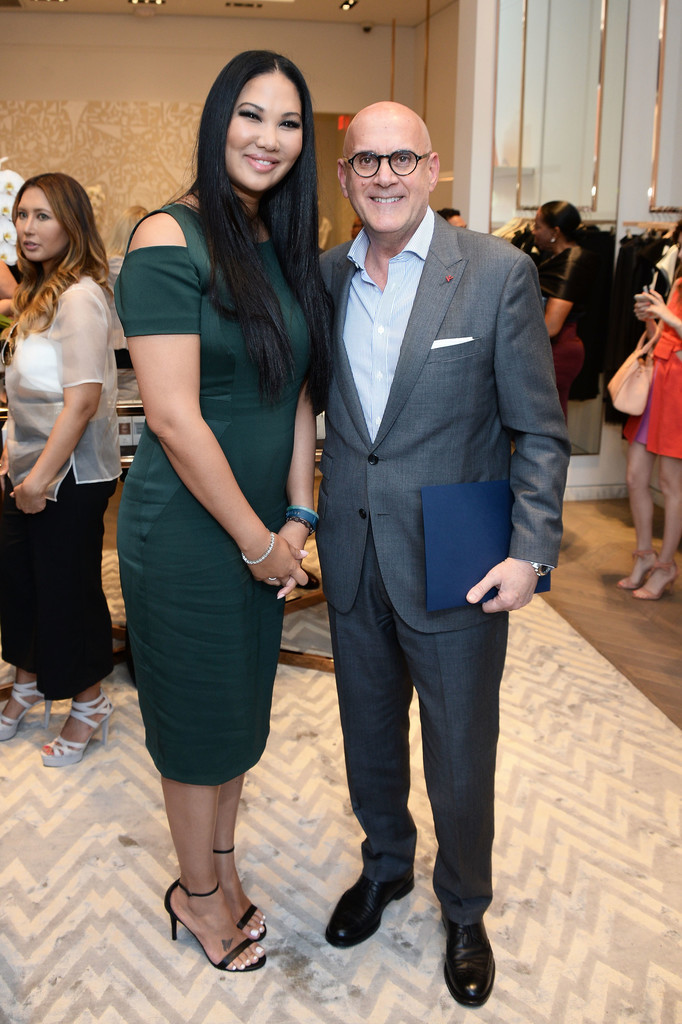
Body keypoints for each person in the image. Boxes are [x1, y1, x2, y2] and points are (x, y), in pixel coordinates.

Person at [317, 102, 570, 1008]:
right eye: (366, 161)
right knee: (367, 736)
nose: (384, 176)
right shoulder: (325, 275)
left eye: (403, 159)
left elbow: (539, 429)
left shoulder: (497, 273)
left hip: (458, 559)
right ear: (344, 177)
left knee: (461, 751)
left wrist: (530, 553)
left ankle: (464, 905)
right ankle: (386, 864)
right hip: (353, 549)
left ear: (431, 170)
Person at [114, 51, 331, 973]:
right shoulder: (168, 236)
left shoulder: (279, 242)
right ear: (217, 121)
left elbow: (299, 393)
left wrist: (298, 517)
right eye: (250, 114)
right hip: (189, 534)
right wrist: (255, 542)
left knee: (241, 715)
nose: (268, 138)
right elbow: (171, 416)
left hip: (263, 533)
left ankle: (224, 867)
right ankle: (195, 896)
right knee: (198, 725)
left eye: (289, 122)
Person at [0, 173, 120, 764]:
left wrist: (40, 481)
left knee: (66, 591)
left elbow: (82, 403)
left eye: (42, 216)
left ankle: (90, 704)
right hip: (26, 465)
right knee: (19, 583)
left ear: (72, 224)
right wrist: (10, 455)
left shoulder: (80, 297)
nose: (28, 227)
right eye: (22, 215)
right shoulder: (37, 294)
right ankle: (26, 684)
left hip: (69, 476)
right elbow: (27, 392)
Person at [617, 256, 682, 599]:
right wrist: (651, 321)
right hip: (659, 384)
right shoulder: (680, 283)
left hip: (678, 393)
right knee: (635, 477)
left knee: (671, 484)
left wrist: (668, 317)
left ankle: (666, 565)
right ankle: (645, 554)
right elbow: (665, 341)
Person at [532, 200, 598, 419]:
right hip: (552, 348)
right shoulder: (555, 259)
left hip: (557, 350)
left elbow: (551, 326)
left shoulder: (572, 262)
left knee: (547, 420)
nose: (533, 231)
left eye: (538, 226)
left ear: (555, 232)